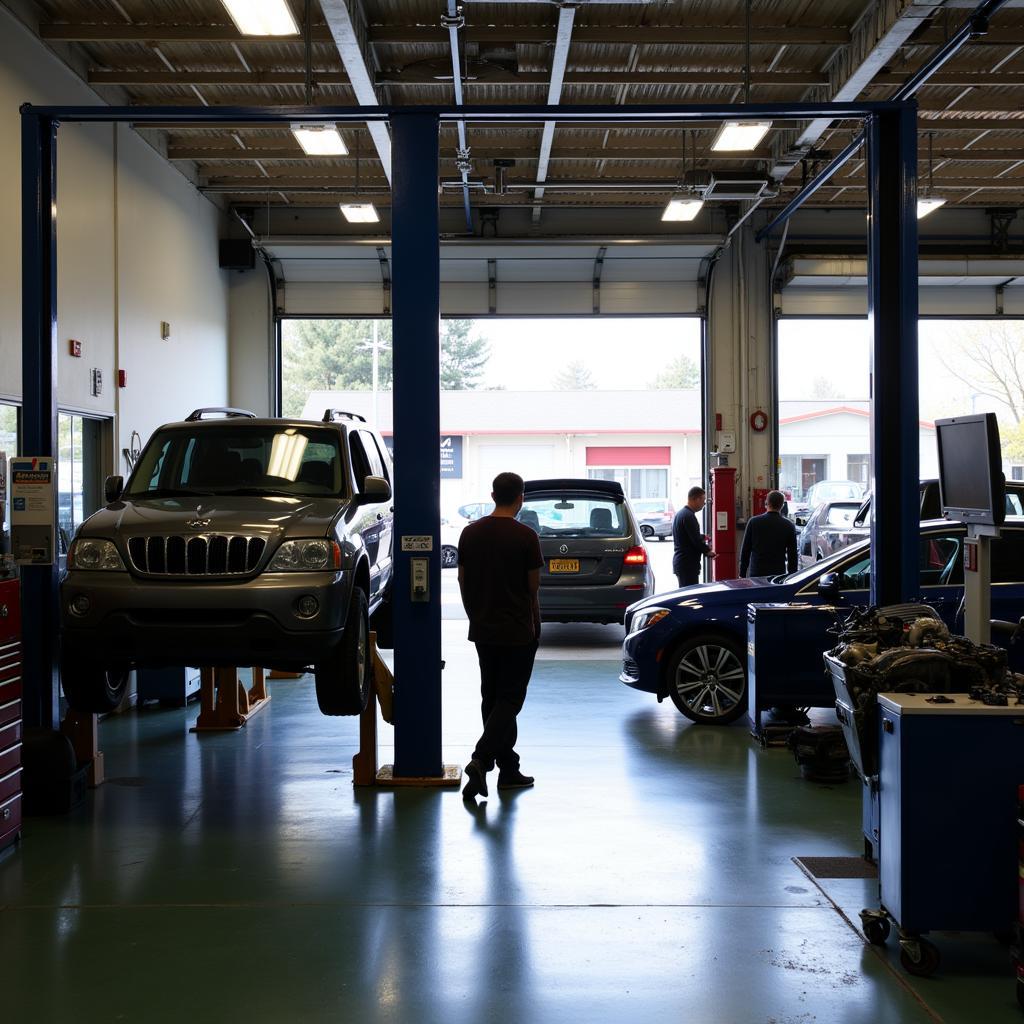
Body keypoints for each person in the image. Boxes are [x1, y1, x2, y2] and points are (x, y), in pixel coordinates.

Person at [457, 471, 543, 801]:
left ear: (493, 496)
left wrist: (475, 615)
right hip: (518, 629)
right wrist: (536, 624)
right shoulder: (526, 536)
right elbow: (533, 587)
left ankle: (508, 769)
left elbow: (463, 579)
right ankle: (481, 759)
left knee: (491, 698)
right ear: (520, 498)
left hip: (483, 628)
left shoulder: (470, 533)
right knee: (510, 699)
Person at [739, 489, 799, 578]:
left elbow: (745, 551)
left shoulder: (754, 522)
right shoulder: (788, 525)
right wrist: (792, 577)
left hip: (757, 573)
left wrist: (742, 574)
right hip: (778, 574)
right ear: (782, 505)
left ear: (766, 503)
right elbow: (792, 555)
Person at [672, 485, 716, 587]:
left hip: (682, 563)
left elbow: (687, 536)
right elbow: (695, 540)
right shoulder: (689, 516)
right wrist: (708, 551)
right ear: (695, 499)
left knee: (685, 594)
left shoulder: (681, 514)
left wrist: (703, 536)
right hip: (687, 564)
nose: (704, 504)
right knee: (688, 597)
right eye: (703, 500)